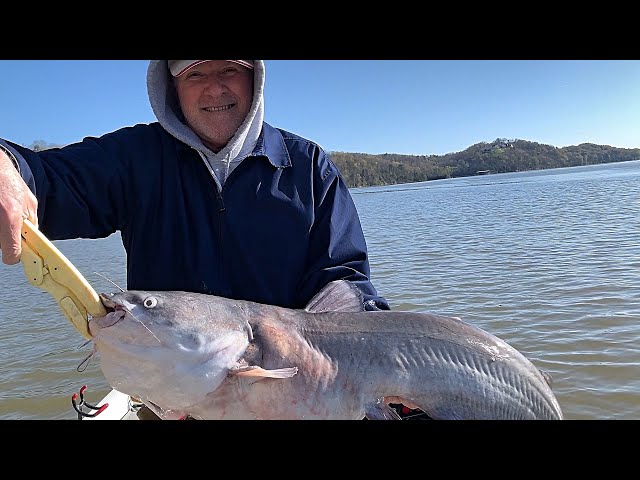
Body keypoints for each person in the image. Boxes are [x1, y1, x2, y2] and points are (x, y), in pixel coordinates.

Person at [0, 60, 389, 312]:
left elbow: (344, 286)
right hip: (175, 394)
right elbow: (45, 179)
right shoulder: (135, 158)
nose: (214, 89)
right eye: (196, 74)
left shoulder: (309, 168)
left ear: (255, 77)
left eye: (229, 70)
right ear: (171, 86)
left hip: (293, 389)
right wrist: (7, 165)